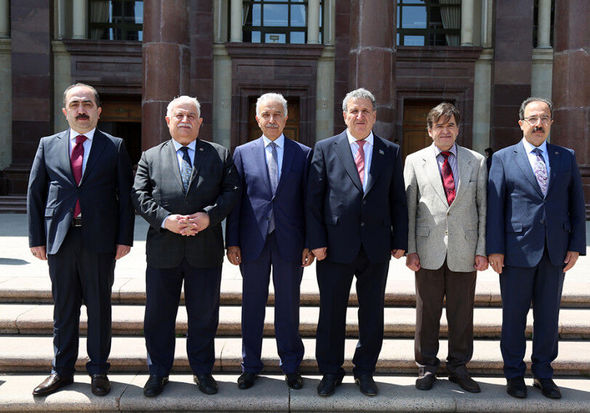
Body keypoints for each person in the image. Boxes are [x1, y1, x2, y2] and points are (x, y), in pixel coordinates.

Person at [27, 83, 135, 397]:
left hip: (100, 240)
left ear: (98, 111)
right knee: (64, 308)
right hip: (60, 239)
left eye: (87, 104)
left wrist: (124, 238)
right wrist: (36, 237)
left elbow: (125, 197)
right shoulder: (48, 145)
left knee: (99, 308)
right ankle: (61, 371)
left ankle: (98, 370)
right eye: (74, 104)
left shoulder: (114, 146)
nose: (81, 110)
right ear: (65, 111)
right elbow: (35, 193)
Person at [131, 95, 240, 397]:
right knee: (158, 316)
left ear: (200, 122)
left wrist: (209, 216)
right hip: (163, 250)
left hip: (204, 250)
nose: (185, 120)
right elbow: (139, 196)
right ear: (168, 121)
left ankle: (202, 371)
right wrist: (166, 220)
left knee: (204, 316)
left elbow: (232, 192)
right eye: (179, 115)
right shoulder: (150, 157)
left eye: (191, 116)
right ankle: (158, 372)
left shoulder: (219, 155)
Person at [306, 88, 408, 397]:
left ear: (374, 116)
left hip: (376, 246)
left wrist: (400, 239)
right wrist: (316, 241)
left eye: (365, 111)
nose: (360, 116)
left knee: (372, 312)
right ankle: (330, 371)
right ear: (344, 115)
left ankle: (365, 371)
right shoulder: (325, 148)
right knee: (331, 311)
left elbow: (398, 199)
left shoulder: (390, 151)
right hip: (334, 247)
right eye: (354, 111)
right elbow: (313, 200)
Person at [487, 97, 586, 400]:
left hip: (555, 251)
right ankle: (514, 374)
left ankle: (543, 373)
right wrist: (495, 249)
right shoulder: (503, 158)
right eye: (532, 119)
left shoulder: (565, 157)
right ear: (521, 123)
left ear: (551, 122)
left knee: (548, 317)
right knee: (514, 317)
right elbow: (495, 208)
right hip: (516, 251)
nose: (538, 124)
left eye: (544, 118)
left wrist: (576, 245)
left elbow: (576, 204)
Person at [226, 93, 314, 390]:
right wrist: (232, 241)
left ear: (286, 118)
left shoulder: (303, 153)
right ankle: (250, 365)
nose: (272, 120)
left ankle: (291, 365)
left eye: (277, 114)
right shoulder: (242, 153)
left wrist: (309, 242)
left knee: (288, 305)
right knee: (252, 305)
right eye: (266, 114)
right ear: (257, 119)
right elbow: (236, 201)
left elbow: (309, 202)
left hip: (291, 242)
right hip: (253, 242)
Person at [404, 102, 487, 393]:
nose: (445, 131)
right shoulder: (414, 160)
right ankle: (427, 365)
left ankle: (458, 367)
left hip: (465, 248)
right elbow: (410, 208)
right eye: (439, 125)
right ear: (429, 131)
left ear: (458, 129)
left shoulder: (476, 161)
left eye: (450, 125)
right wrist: (410, 248)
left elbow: (483, 207)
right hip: (428, 249)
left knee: (462, 313)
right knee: (427, 312)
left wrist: (482, 248)